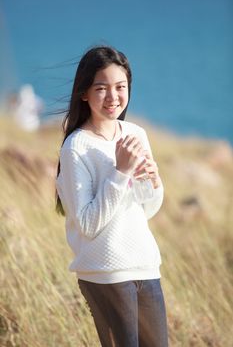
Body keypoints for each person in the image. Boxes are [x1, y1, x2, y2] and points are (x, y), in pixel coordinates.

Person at [56, 46, 168, 347]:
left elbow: (146, 210)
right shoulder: (76, 147)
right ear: (84, 93)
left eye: (120, 87)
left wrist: (154, 182)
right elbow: (88, 224)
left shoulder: (136, 134)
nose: (113, 96)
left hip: (145, 264)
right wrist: (120, 172)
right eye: (101, 88)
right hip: (105, 273)